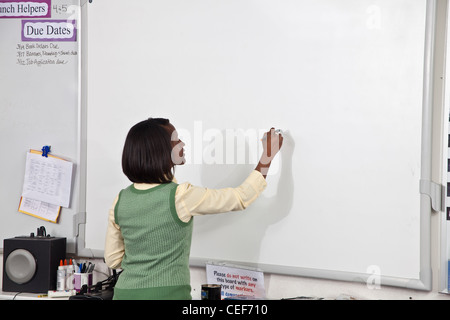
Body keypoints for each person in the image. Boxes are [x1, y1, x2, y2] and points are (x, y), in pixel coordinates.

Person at [104, 118, 283, 300]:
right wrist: (267, 156)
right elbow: (240, 197)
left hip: (124, 293)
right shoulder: (180, 196)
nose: (182, 143)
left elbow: (113, 260)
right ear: (161, 150)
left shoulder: (121, 199)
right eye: (176, 140)